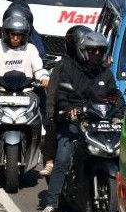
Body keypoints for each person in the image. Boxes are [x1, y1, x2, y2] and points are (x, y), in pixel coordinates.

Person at [38, 32, 124, 212]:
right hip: (74, 124)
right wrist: (69, 111)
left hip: (100, 124)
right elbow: (61, 97)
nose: (96, 54)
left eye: (99, 50)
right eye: (91, 50)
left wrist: (120, 111)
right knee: (62, 157)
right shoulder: (68, 69)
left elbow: (115, 96)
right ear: (83, 51)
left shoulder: (105, 73)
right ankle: (52, 204)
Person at [0, 15, 50, 137]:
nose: (15, 38)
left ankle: (41, 123)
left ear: (24, 36)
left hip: (26, 91)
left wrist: (44, 78)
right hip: (1, 91)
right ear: (6, 34)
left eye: (19, 35)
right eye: (12, 35)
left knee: (42, 94)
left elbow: (39, 68)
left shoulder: (31, 49)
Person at [39, 25, 93, 177]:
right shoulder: (62, 65)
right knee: (53, 125)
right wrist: (51, 112)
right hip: (66, 109)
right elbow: (52, 91)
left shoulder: (94, 66)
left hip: (88, 110)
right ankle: (50, 161)